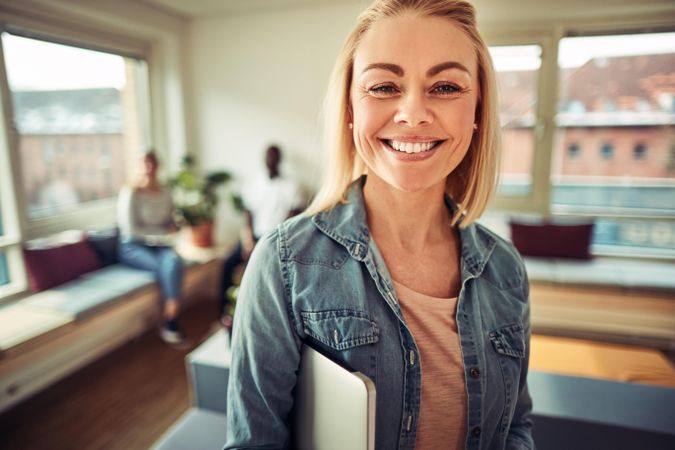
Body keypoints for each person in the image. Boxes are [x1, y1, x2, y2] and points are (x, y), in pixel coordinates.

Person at [225, 0, 534, 449]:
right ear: (350, 109)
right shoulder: (283, 265)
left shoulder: (505, 269)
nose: (412, 114)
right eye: (384, 86)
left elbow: (516, 428)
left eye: (446, 87)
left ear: (479, 111)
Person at [219, 145, 303, 324]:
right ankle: (224, 314)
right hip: (253, 237)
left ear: (279, 160)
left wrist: (268, 245)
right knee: (227, 264)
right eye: (268, 157)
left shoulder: (291, 188)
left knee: (265, 274)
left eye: (275, 157)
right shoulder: (254, 185)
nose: (271, 161)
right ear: (264, 159)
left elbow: (292, 220)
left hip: (276, 241)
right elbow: (247, 216)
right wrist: (248, 242)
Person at [117, 151, 186, 345]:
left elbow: (170, 222)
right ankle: (171, 321)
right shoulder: (131, 193)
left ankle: (171, 313)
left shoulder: (165, 193)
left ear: (158, 166)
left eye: (152, 163)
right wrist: (160, 237)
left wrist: (175, 230)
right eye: (145, 163)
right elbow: (130, 231)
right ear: (139, 166)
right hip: (133, 246)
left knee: (173, 262)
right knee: (162, 266)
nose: (149, 168)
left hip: (161, 245)